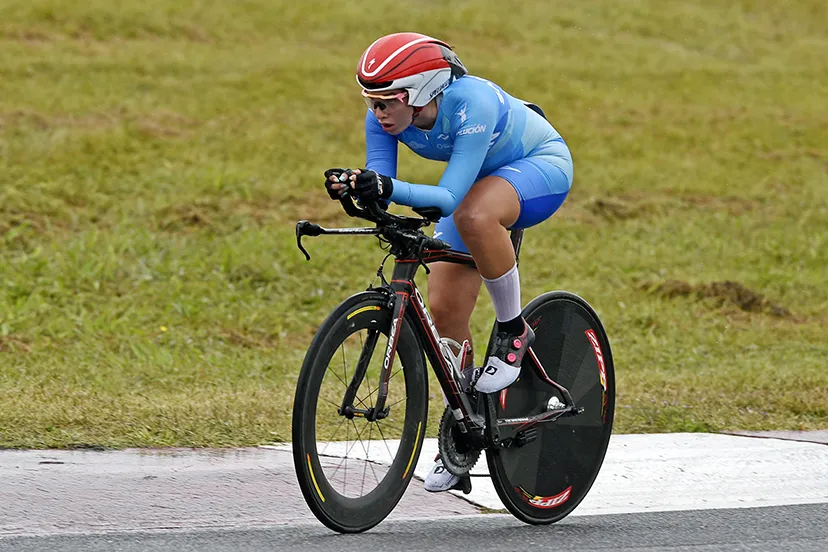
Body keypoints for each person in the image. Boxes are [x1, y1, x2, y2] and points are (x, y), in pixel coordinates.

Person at [325, 32, 573, 492]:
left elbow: (448, 197)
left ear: (419, 94)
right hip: (476, 179)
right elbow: (386, 185)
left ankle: (515, 328)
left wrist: (384, 188)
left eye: (386, 102)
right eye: (370, 101)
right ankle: (465, 424)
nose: (378, 112)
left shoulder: (470, 102)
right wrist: (357, 192)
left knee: (474, 213)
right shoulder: (384, 116)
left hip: (539, 165)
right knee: (444, 312)